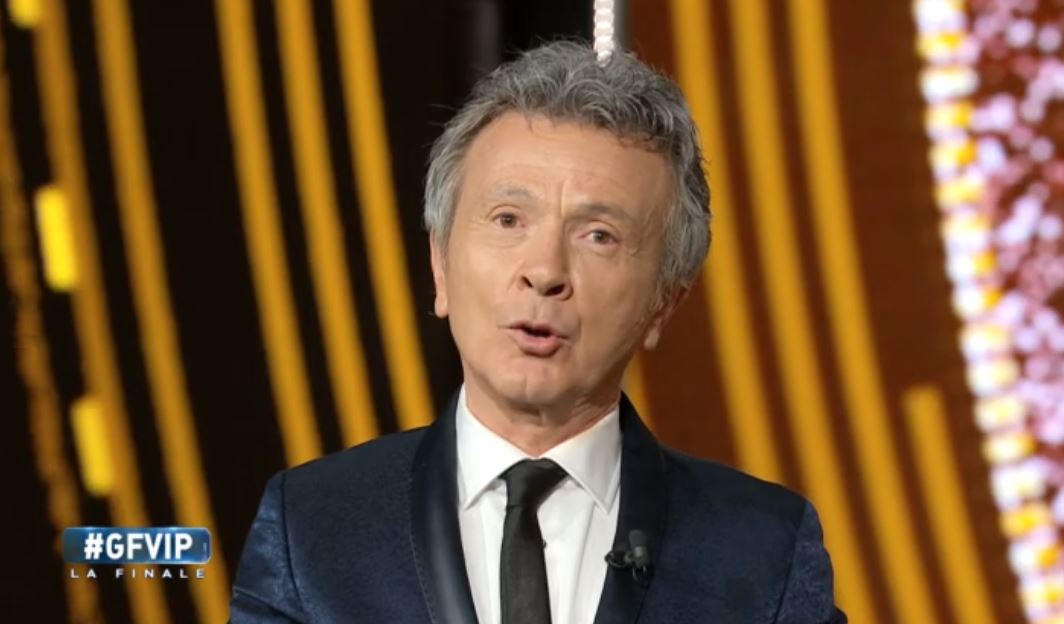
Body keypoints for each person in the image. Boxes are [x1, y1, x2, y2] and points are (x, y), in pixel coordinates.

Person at [229, 41, 846, 624]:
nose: (545, 271)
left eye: (599, 236)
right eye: (508, 219)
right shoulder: (311, 527)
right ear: (440, 264)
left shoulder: (763, 553)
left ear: (665, 301)